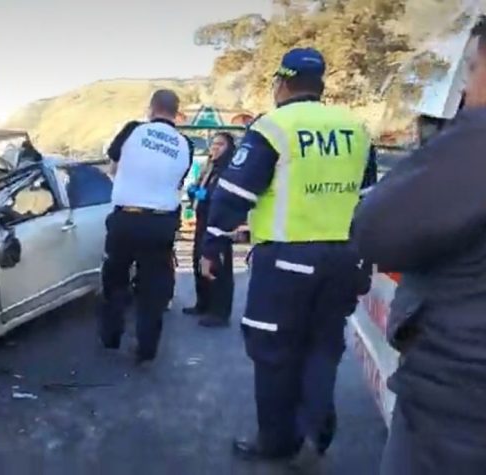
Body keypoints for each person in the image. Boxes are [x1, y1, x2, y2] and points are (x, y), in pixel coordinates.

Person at [200, 48, 376, 464]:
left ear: (281, 83)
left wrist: (212, 243)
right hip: (342, 260)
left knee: (273, 352)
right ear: (321, 84)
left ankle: (278, 442)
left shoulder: (275, 127)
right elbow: (368, 201)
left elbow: (233, 195)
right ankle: (317, 426)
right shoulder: (357, 130)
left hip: (285, 263)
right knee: (322, 346)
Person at [354, 17, 486, 475]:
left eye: (470, 69)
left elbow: (379, 229)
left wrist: (462, 130)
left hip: (459, 412)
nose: (465, 89)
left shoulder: (476, 143)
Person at [98, 89, 193, 364]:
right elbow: (177, 180)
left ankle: (111, 336)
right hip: (161, 223)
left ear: (151, 108)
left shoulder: (133, 129)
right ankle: (147, 347)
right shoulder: (185, 143)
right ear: (176, 112)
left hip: (126, 218)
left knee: (115, 277)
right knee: (153, 288)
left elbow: (113, 164)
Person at [183, 132, 237, 327]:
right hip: (202, 219)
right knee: (199, 260)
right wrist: (194, 191)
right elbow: (198, 188)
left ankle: (219, 312)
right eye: (213, 144)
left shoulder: (228, 169)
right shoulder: (209, 167)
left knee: (218, 266)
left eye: (220, 145)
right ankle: (203, 303)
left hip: (219, 223)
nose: (215, 148)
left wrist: (202, 193)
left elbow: (218, 194)